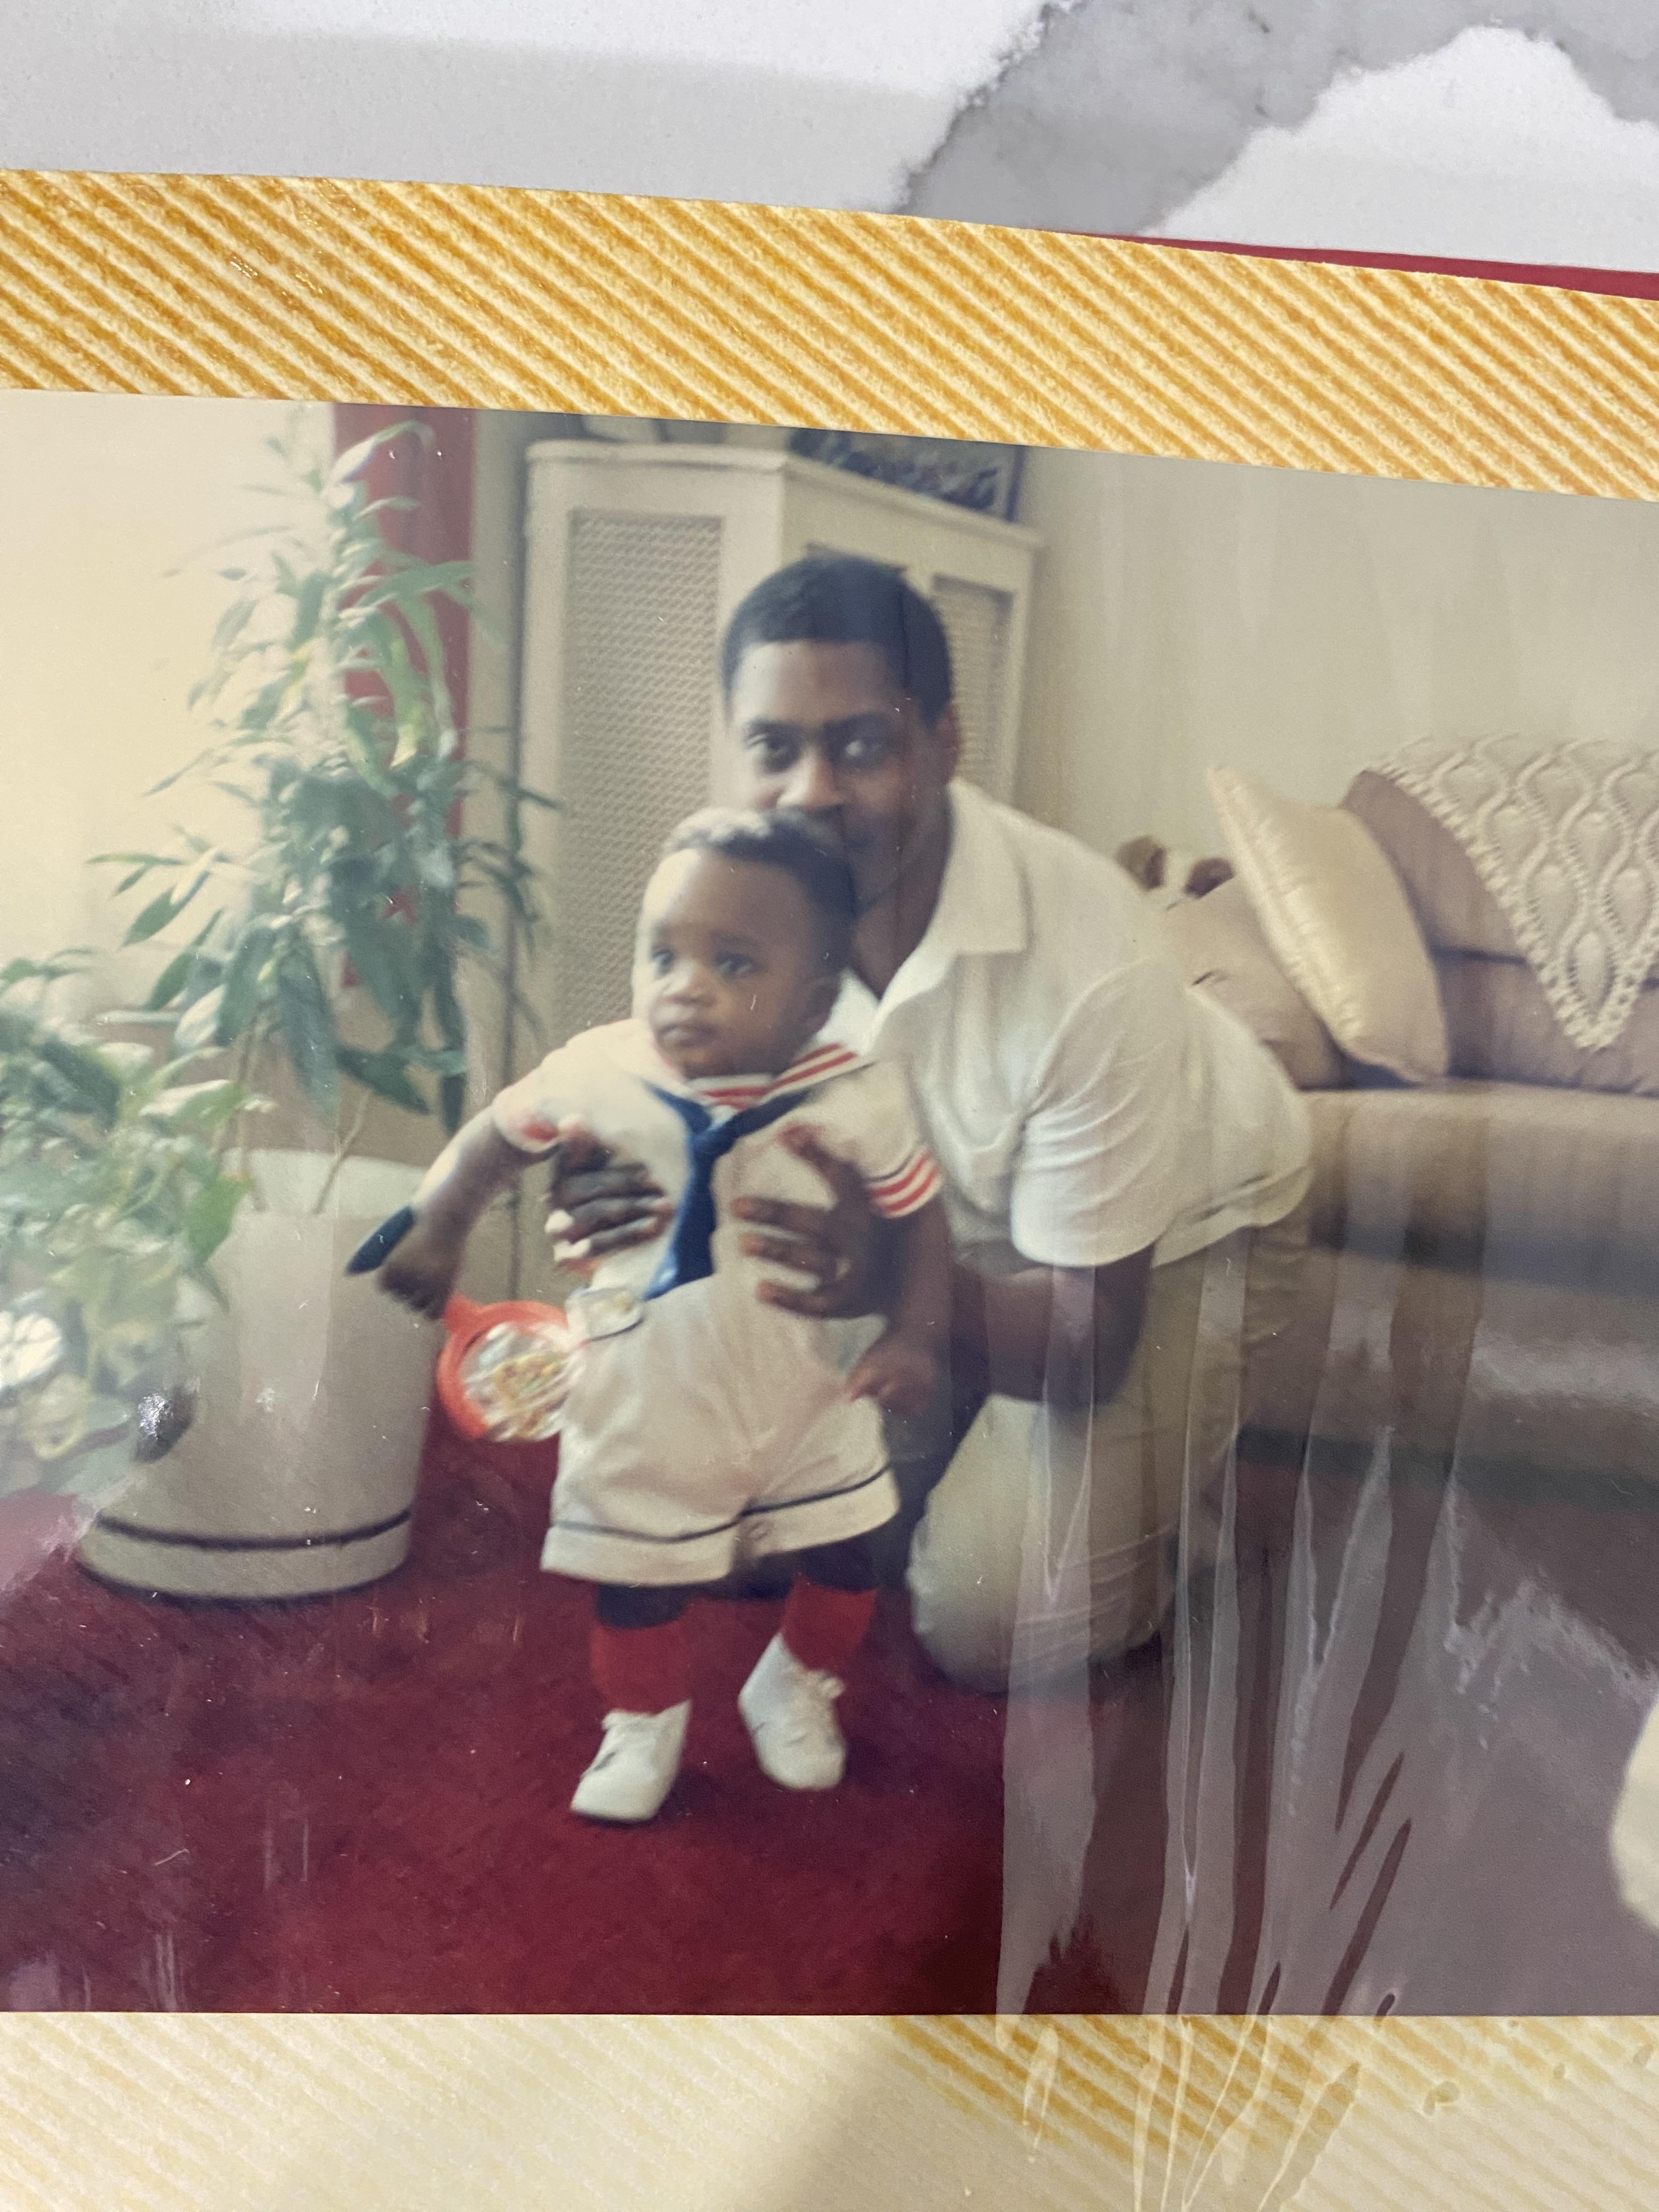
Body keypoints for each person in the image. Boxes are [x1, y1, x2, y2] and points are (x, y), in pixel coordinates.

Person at [546, 554, 1314, 1693]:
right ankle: (957, 1444)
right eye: (773, 749)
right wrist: (616, 1189)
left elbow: (1087, 1341)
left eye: (860, 744)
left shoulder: (1092, 954)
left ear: (945, 744)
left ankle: (1175, 1536)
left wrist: (885, 1287)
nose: (810, 790)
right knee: (734, 1528)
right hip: (935, 1223)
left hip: (1186, 1230)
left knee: (985, 1618)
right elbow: (682, 1128)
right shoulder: (717, 894)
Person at [375, 807, 952, 1820]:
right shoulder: (600, 1068)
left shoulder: (857, 1093)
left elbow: (923, 1218)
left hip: (804, 1385)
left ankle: (796, 1682)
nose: (683, 988)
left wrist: (915, 1334)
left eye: (733, 964)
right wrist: (440, 1224)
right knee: (637, 1578)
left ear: (816, 997)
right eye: (664, 954)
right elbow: (495, 1138)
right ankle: (641, 1727)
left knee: (854, 1547)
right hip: (648, 1385)